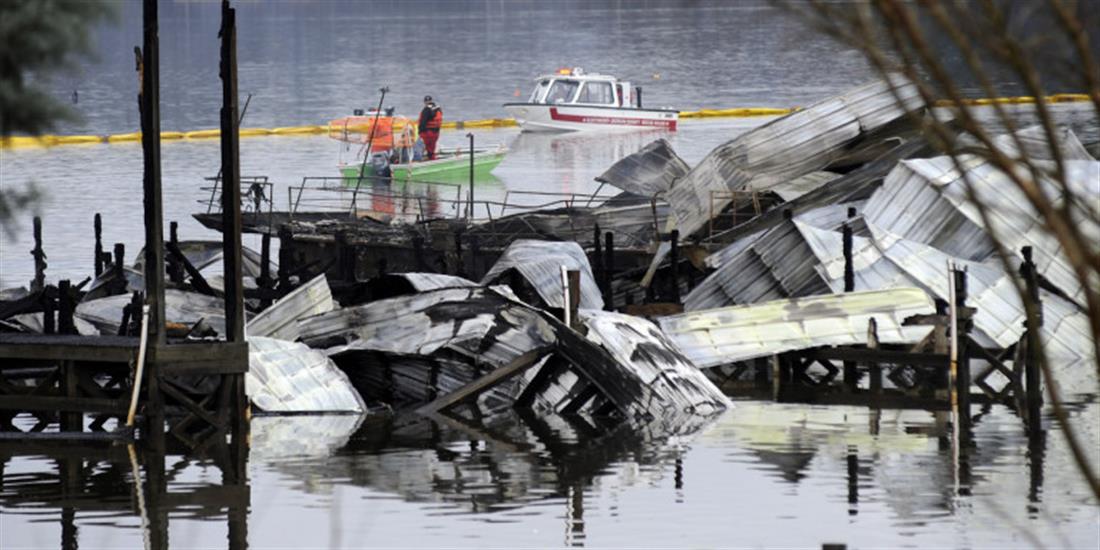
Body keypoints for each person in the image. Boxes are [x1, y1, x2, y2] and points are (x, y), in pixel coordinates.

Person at [418, 95, 443, 160]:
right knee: (432, 148)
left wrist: (420, 132)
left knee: (423, 146)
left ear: (425, 102)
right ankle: (432, 158)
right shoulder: (438, 109)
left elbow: (423, 122)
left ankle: (421, 158)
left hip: (427, 133)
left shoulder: (426, 110)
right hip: (436, 132)